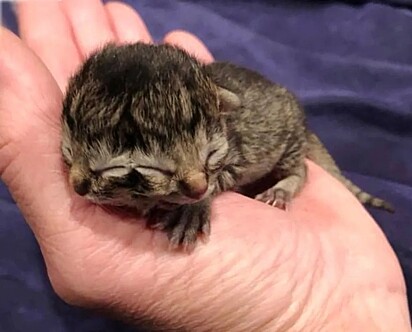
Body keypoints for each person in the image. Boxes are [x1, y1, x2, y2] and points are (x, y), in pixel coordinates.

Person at [0, 1, 409, 330]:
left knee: (273, 145)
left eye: (205, 161)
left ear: (221, 110)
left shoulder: (220, 127)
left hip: (277, 129)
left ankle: (294, 175)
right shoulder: (96, 154)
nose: (197, 186)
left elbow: (201, 182)